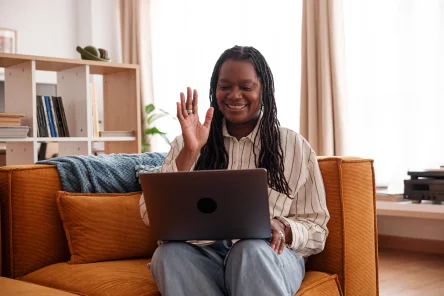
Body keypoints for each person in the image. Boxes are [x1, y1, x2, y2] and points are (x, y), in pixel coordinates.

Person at [143, 46, 330, 296]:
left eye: (246, 87)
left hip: (267, 257)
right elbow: (149, 214)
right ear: (214, 89)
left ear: (263, 90)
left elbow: (317, 229)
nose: (234, 95)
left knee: (249, 249)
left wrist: (282, 227)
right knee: (168, 255)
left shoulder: (293, 146)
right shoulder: (187, 143)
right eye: (225, 86)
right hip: (205, 257)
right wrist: (190, 151)